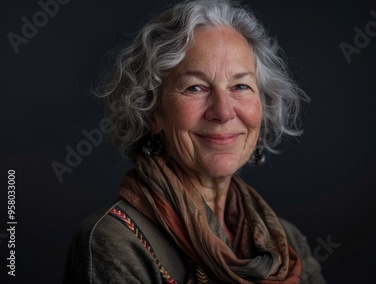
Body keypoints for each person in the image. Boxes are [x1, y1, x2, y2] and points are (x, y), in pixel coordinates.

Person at [64, 0, 325, 283]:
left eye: (240, 86)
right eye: (196, 87)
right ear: (152, 112)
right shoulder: (115, 241)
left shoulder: (288, 243)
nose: (223, 112)